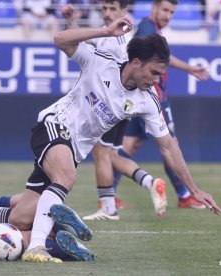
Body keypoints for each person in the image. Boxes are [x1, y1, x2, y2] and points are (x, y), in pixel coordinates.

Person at [0, 18, 221, 264]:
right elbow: (60, 39)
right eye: (154, 72)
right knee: (67, 176)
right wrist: (104, 31)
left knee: (22, 214)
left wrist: (193, 189)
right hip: (53, 127)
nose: (157, 79)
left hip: (72, 149)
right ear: (135, 62)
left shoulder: (147, 100)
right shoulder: (101, 62)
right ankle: (36, 247)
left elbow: (169, 146)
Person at [61, 0, 167, 220]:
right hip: (121, 103)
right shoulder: (113, 35)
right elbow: (82, 40)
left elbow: (85, 48)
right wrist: (71, 20)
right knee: (111, 154)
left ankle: (108, 207)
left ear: (124, 12)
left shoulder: (118, 40)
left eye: (112, 9)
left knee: (101, 154)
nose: (107, 14)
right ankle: (149, 182)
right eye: (104, 9)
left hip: (112, 102)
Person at [111, 0, 210, 210]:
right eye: (165, 10)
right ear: (154, 8)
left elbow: (160, 58)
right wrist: (189, 68)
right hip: (153, 97)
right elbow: (144, 56)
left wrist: (189, 69)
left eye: (172, 12)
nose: (167, 15)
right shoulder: (148, 27)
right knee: (170, 144)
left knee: (129, 145)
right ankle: (184, 195)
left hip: (143, 95)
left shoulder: (151, 28)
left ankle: (109, 195)